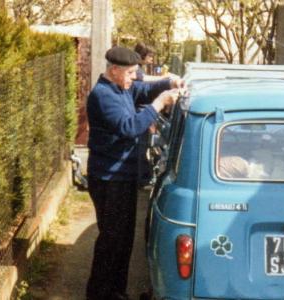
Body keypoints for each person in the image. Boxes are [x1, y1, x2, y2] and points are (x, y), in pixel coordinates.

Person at [86, 46, 184, 300]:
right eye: (130, 73)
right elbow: (129, 127)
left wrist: (168, 83)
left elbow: (145, 89)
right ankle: (99, 293)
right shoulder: (103, 95)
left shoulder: (123, 88)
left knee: (124, 239)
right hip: (109, 179)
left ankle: (117, 291)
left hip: (122, 176)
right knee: (111, 240)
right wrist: (160, 103)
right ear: (114, 70)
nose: (134, 77)